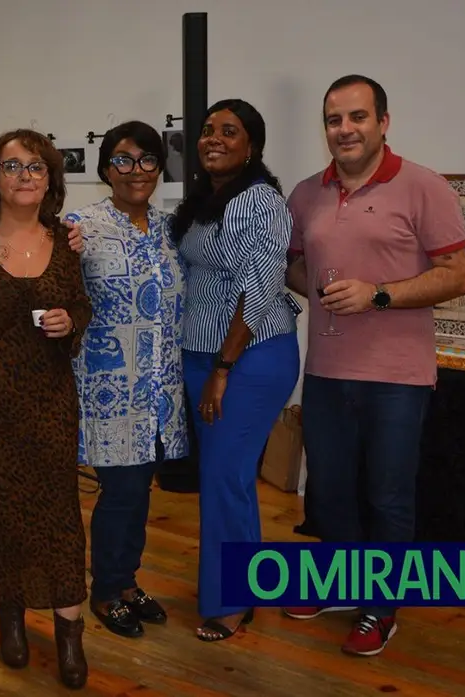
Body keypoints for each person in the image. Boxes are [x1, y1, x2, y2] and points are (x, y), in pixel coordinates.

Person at [283, 74, 465, 656]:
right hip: (326, 370)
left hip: (397, 376)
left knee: (389, 496)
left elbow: (458, 276)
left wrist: (379, 294)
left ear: (383, 122)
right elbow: (294, 270)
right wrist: (318, 287)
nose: (345, 129)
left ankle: (381, 608)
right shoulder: (306, 194)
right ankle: (343, 585)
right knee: (331, 491)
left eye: (357, 117)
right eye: (334, 119)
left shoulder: (423, 187)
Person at [0, 128, 93, 689]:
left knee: (59, 517)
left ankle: (69, 636)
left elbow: (80, 306)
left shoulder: (67, 240)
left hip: (50, 402)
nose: (25, 176)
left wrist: (70, 322)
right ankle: (9, 614)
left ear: (51, 178)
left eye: (36, 167)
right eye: (13, 167)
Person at [170, 99, 300, 643]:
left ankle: (229, 602)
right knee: (230, 478)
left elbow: (260, 286)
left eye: (230, 131)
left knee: (224, 477)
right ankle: (246, 586)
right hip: (204, 355)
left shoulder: (260, 201)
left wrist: (224, 367)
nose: (214, 139)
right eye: (207, 131)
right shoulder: (204, 201)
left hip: (247, 358)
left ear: (252, 146)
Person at [63, 119, 186, 639]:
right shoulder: (78, 227)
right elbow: (58, 297)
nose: (136, 171)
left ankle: (128, 581)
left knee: (140, 494)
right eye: (123, 160)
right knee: (121, 493)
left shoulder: (171, 228)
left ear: (159, 167)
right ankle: (107, 591)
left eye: (147, 160)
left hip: (161, 388)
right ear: (105, 168)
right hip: (109, 388)